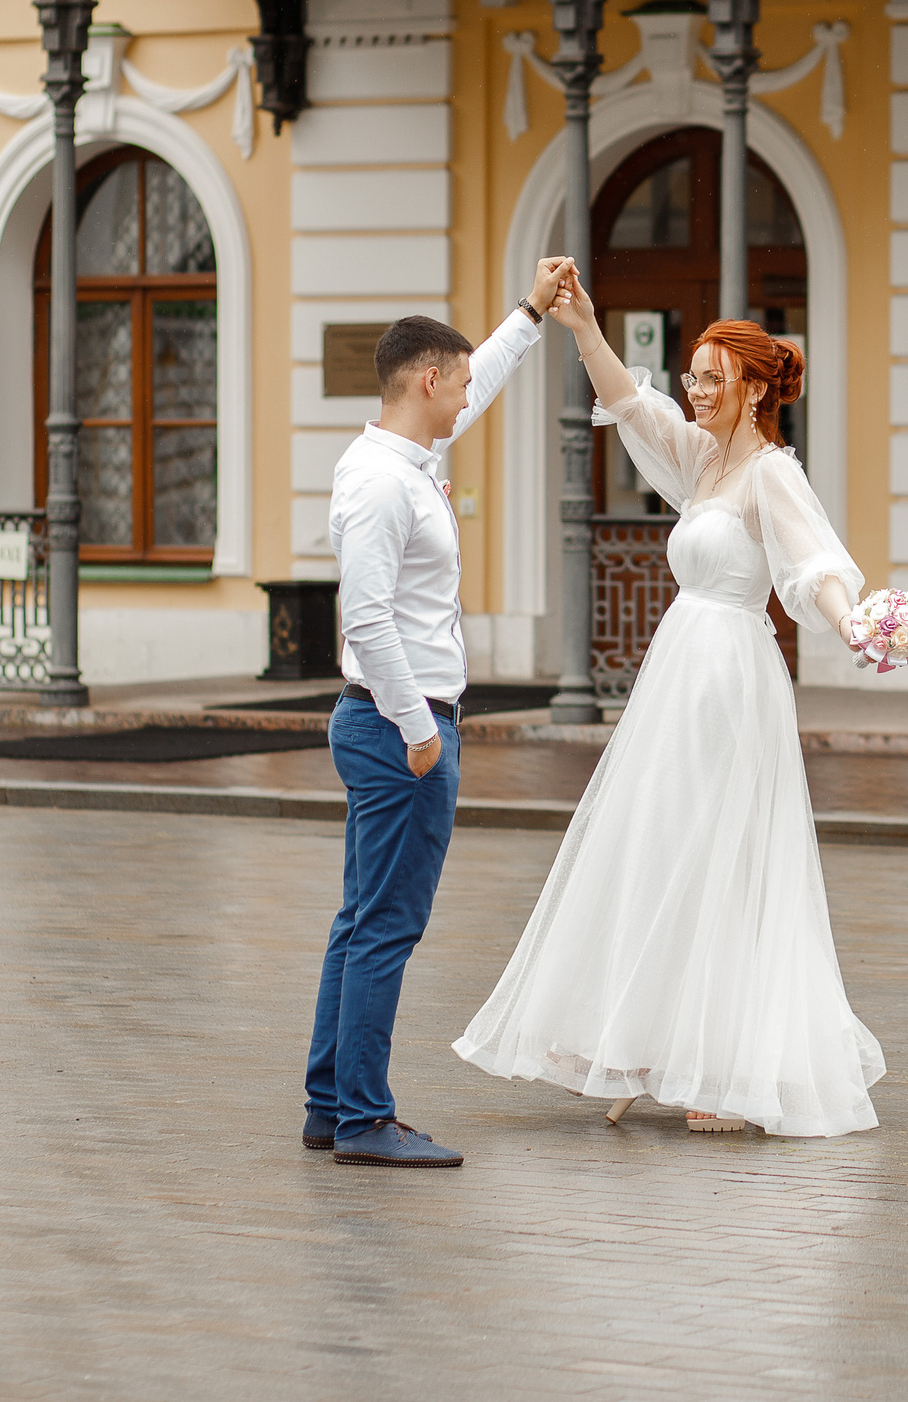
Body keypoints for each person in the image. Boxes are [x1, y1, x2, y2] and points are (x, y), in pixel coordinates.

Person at [453, 269, 887, 1138]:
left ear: (755, 389)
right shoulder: (702, 458)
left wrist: (859, 623)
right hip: (676, 673)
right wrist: (578, 322)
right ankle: (652, 1038)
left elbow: (815, 565)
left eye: (710, 380)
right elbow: (628, 401)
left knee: (722, 852)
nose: (693, 392)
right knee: (662, 840)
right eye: (690, 377)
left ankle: (726, 1062)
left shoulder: (770, 473)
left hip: (730, 675)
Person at [307, 256, 576, 1168]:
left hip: (389, 722)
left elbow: (486, 375)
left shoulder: (402, 456)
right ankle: (363, 1119)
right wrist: (421, 736)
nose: (467, 397)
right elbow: (368, 617)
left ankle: (328, 1102)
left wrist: (530, 312)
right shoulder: (383, 483)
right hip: (399, 727)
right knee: (385, 926)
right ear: (428, 381)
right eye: (456, 383)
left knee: (359, 917)